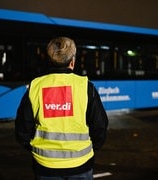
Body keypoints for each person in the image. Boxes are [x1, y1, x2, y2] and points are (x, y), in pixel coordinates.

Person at [15, 37, 108, 180]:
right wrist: (88, 149)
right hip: (81, 165)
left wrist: (37, 149)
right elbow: (100, 126)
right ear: (72, 61)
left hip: (44, 166)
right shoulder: (86, 87)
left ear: (49, 60)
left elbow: (22, 130)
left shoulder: (36, 86)